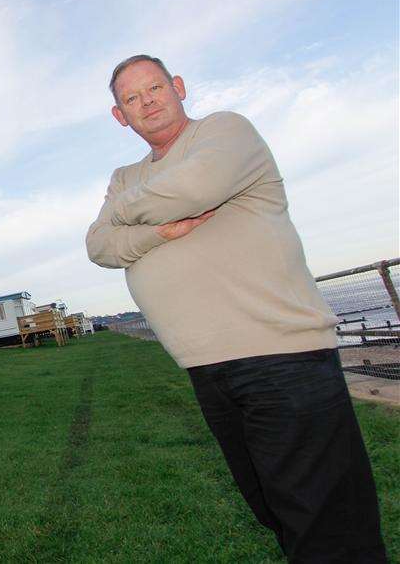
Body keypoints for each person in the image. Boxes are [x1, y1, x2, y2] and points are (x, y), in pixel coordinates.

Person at [86, 55, 387, 562]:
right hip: (209, 366)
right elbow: (98, 246)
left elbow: (194, 189)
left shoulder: (224, 132)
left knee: (328, 523)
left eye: (155, 87)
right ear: (121, 117)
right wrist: (161, 230)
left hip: (280, 355)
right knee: (276, 510)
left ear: (178, 86)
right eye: (131, 99)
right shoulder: (125, 175)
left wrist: (124, 213)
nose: (147, 101)